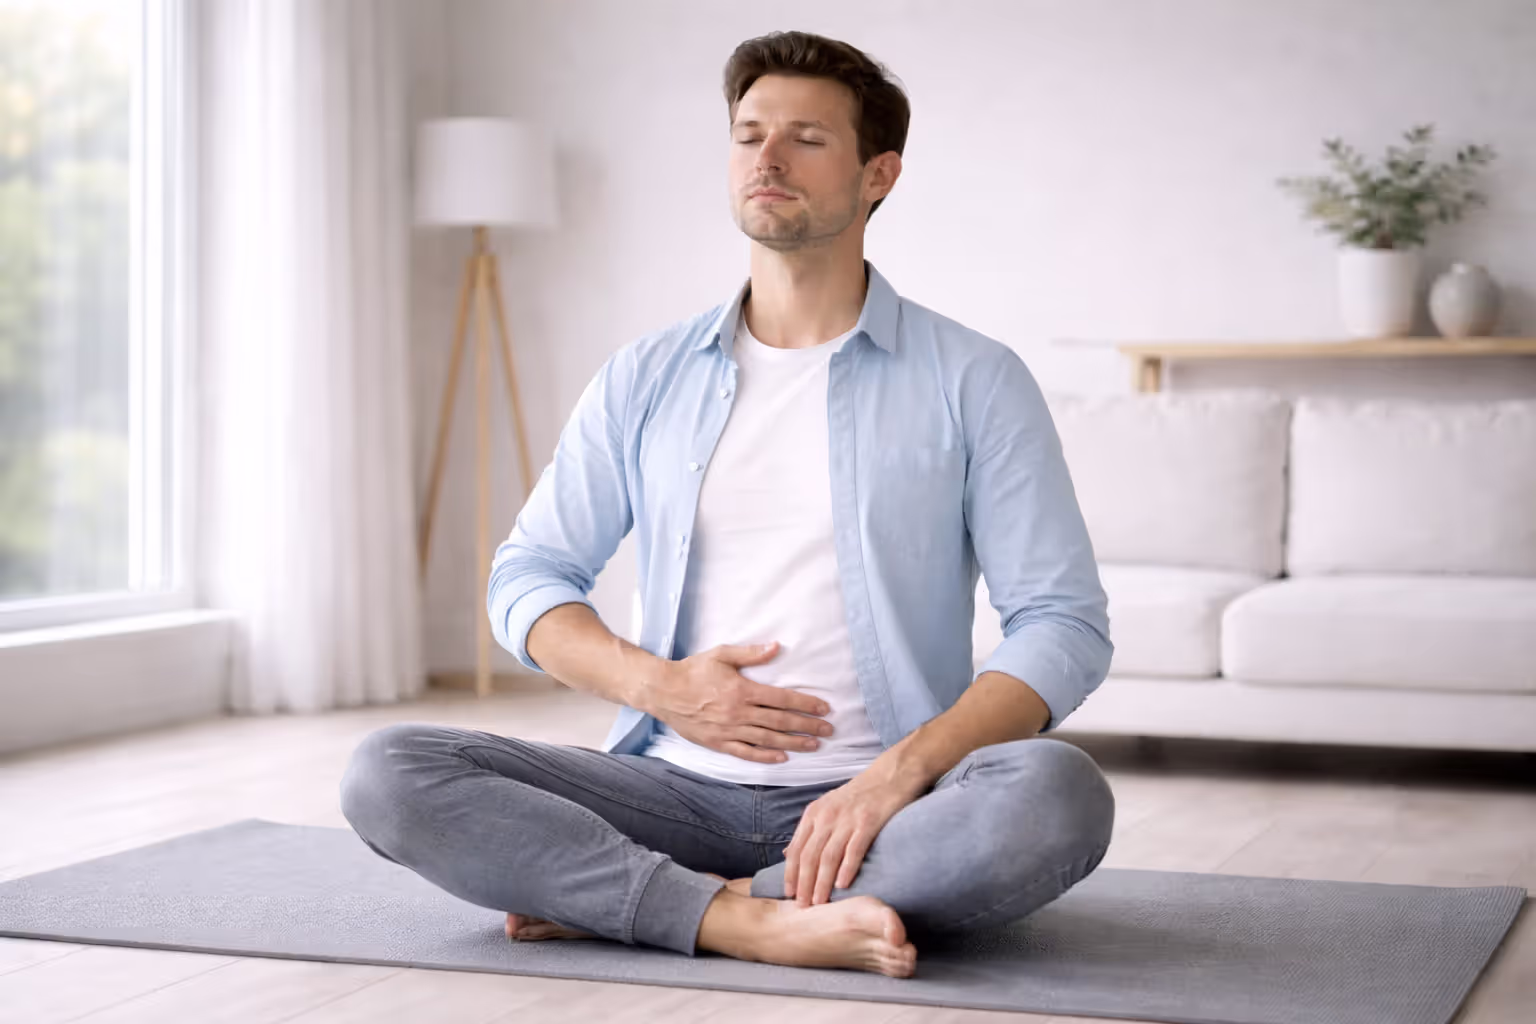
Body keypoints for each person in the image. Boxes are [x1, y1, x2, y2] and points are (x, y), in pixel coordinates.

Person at [340, 29, 1115, 979]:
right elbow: (527, 577)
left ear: (880, 174)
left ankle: (655, 899)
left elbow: (1063, 624)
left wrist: (895, 775)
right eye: (748, 135)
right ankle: (755, 919)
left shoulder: (975, 379)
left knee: (1058, 796)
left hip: (888, 806)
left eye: (806, 138)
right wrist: (658, 687)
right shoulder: (646, 375)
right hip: (672, 790)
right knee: (391, 771)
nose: (768, 159)